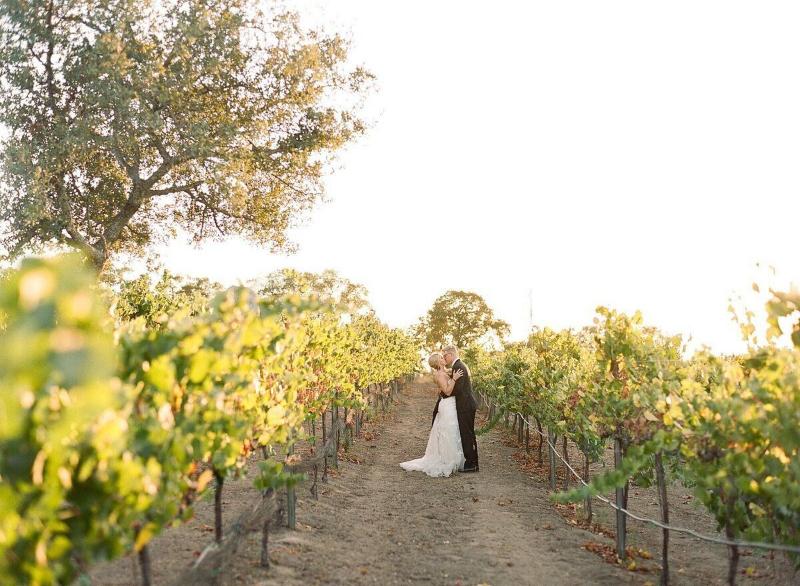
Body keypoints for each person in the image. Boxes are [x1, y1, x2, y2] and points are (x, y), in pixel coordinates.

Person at [399, 352, 465, 477]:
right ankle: (447, 460)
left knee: (452, 430)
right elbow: (447, 391)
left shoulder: (445, 372)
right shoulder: (439, 375)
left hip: (451, 404)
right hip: (447, 405)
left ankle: (452, 458)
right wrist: (454, 379)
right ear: (437, 362)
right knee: (447, 431)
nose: (443, 358)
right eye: (441, 357)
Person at [433, 345, 479, 472]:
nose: (444, 358)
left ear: (451, 354)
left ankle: (471, 464)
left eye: (445, 356)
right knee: (467, 434)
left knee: (467, 434)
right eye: (442, 357)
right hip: (464, 405)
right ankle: (472, 462)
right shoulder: (458, 366)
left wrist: (443, 394)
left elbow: (455, 390)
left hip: (465, 406)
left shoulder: (458, 367)